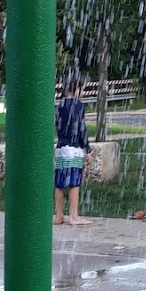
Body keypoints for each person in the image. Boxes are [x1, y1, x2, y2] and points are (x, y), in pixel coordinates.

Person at [54, 79, 92, 227]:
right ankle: (74, 216)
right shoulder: (78, 105)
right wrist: (86, 149)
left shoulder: (60, 105)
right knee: (74, 183)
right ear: (77, 90)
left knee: (59, 183)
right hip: (74, 148)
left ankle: (58, 215)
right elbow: (81, 128)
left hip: (61, 147)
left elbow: (58, 126)